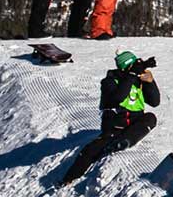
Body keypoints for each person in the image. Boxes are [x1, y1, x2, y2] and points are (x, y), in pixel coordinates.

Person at [58, 51, 160, 186]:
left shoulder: (138, 80)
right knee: (90, 150)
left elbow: (155, 102)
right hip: (115, 123)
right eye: (133, 67)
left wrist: (150, 82)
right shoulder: (110, 81)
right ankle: (68, 179)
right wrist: (130, 76)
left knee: (151, 117)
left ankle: (125, 141)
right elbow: (117, 98)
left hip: (136, 120)